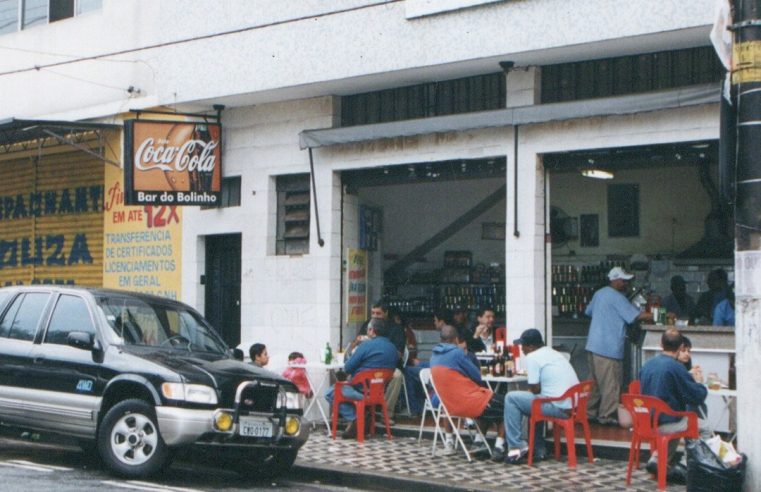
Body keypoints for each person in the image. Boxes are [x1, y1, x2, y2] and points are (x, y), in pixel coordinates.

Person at [584, 266, 653, 425]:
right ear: (615, 280)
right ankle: (606, 417)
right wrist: (660, 313)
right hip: (608, 348)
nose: (626, 284)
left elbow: (588, 311)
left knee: (594, 384)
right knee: (611, 385)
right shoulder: (617, 297)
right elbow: (636, 316)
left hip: (593, 345)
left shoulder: (599, 294)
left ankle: (589, 414)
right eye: (623, 281)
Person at [503, 329, 580, 464]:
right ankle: (538, 448)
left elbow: (535, 389)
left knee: (511, 398)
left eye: (523, 346)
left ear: (531, 347)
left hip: (559, 407)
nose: (522, 350)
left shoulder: (533, 357)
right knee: (535, 402)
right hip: (572, 405)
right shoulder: (553, 353)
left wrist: (531, 390)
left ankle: (516, 447)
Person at [640, 328, 707, 483]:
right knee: (702, 427)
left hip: (645, 422)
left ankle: (656, 460)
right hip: (665, 423)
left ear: (661, 343)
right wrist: (699, 383)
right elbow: (696, 396)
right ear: (680, 347)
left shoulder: (647, 366)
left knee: (678, 420)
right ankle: (685, 466)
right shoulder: (676, 368)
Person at [430, 325, 507, 460]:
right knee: (508, 403)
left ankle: (478, 441)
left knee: (491, 404)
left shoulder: (433, 356)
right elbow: (477, 375)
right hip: (470, 404)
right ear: (456, 339)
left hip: (450, 407)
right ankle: (499, 446)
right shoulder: (457, 352)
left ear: (441, 339)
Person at [325, 318, 398, 439]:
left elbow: (348, 367)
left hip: (361, 390)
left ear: (371, 330)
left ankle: (356, 417)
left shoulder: (366, 345)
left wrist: (356, 349)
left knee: (330, 392)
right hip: (379, 392)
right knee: (344, 388)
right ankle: (360, 417)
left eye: (368, 329)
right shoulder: (392, 348)